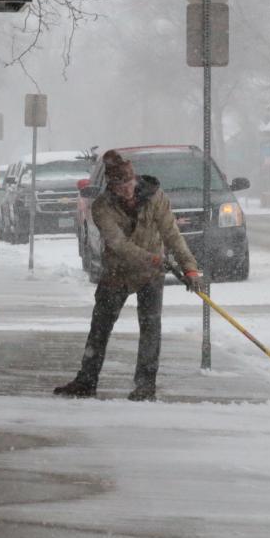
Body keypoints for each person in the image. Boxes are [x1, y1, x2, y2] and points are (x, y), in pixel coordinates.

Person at [54, 149, 203, 402]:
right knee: (100, 327)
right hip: (117, 271)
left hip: (150, 275)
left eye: (128, 183)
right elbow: (119, 244)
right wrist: (153, 258)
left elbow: (172, 235)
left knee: (150, 327)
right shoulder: (102, 207)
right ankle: (86, 381)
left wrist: (189, 267)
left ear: (134, 179)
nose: (125, 190)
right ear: (111, 186)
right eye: (118, 186)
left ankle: (145, 386)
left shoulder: (156, 198)